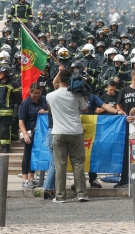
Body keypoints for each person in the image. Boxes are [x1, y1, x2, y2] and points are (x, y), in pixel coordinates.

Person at [46, 68, 89, 203]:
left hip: (58, 133)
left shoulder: (50, 96)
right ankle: (81, 193)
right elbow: (85, 109)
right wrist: (84, 94)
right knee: (78, 164)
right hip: (75, 132)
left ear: (59, 79)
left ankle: (60, 196)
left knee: (60, 165)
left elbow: (54, 85)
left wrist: (58, 72)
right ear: (70, 80)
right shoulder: (77, 94)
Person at [18, 86, 48, 189]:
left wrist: (46, 112)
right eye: (35, 93)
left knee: (35, 155)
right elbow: (21, 121)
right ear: (30, 92)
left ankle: (31, 178)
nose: (37, 96)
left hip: (41, 133)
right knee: (27, 155)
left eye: (39, 93)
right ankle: (25, 179)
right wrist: (25, 134)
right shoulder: (26, 103)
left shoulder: (44, 100)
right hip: (29, 132)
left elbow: (52, 111)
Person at [0, 66, 21, 153]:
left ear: (6, 74)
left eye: (1, 73)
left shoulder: (13, 84)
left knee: (5, 129)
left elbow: (17, 99)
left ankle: (5, 147)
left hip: (6, 112)